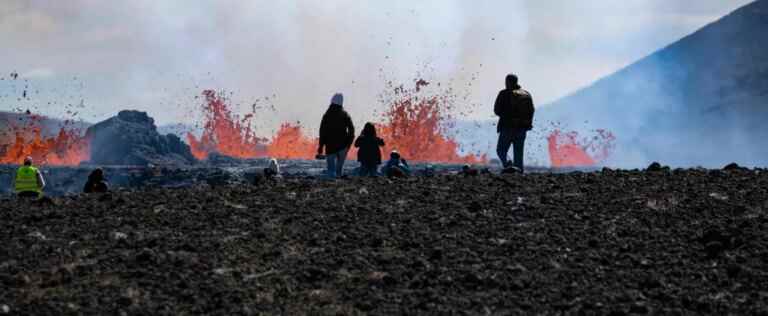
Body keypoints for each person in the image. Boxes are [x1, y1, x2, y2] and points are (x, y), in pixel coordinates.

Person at [494, 74, 535, 173]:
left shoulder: (504, 93)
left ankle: (509, 165)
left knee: (501, 150)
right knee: (518, 154)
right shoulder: (526, 94)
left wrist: (508, 116)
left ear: (507, 81)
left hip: (507, 127)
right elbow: (532, 110)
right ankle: (519, 173)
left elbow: (497, 110)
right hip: (522, 128)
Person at [318, 93, 355, 178]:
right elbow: (352, 130)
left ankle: (331, 184)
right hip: (343, 146)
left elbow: (322, 132)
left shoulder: (326, 116)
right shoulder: (345, 115)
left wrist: (321, 147)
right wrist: (348, 144)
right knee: (339, 170)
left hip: (330, 147)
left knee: (331, 171)